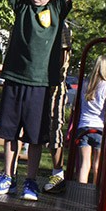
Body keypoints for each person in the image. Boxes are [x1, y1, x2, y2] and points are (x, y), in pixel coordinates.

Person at [0, 0, 86, 201]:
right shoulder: (22, 6)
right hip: (15, 80)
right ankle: (8, 176)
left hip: (41, 84)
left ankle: (30, 180)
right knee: (9, 133)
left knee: (35, 136)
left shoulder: (56, 9)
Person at [43, 20, 72, 194]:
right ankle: (11, 173)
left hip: (54, 84)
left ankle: (58, 174)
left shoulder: (61, 25)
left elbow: (63, 58)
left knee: (55, 126)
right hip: (36, 82)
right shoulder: (36, 17)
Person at [75, 54, 106, 184]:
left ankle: (80, 190)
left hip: (83, 126)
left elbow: (77, 104)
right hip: (99, 127)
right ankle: (94, 192)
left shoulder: (86, 84)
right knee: (97, 165)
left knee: (84, 164)